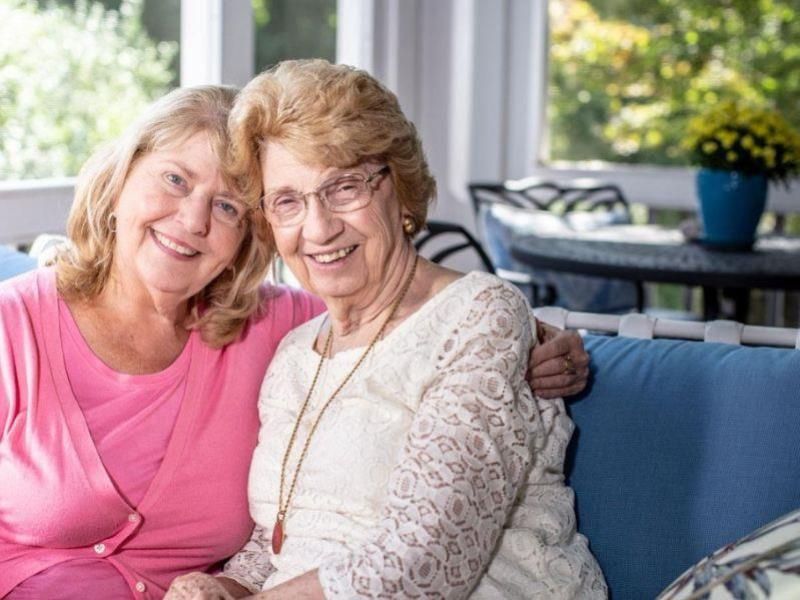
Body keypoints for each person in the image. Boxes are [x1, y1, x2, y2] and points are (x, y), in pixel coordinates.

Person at [0, 84, 588, 598]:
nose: (194, 220)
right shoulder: (13, 328)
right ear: (119, 179)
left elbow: (414, 316)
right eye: (175, 179)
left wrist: (542, 338)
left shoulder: (270, 326)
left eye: (227, 206)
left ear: (247, 237)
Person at [167, 59, 606, 599]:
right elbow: (283, 541)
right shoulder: (296, 351)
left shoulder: (477, 316)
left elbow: (429, 561)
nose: (319, 228)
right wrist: (224, 586)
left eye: (344, 187)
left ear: (399, 188)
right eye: (287, 201)